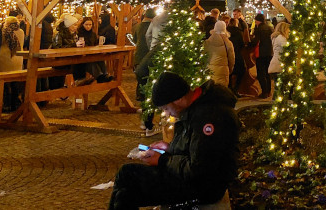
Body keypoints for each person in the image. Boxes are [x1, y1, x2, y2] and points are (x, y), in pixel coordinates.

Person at [108, 73, 240, 209]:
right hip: (196, 179)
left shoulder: (208, 118)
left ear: (178, 100)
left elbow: (199, 169)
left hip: (205, 187)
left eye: (166, 108)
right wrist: (169, 147)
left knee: (126, 175)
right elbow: (194, 148)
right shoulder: (197, 107)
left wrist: (162, 160)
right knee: (124, 195)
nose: (167, 113)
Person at [0, 16, 25, 111]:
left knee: (4, 82)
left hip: (6, 58)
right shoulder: (21, 32)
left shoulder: (4, 32)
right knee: (15, 82)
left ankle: (6, 104)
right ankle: (15, 103)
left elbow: (0, 43)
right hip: (17, 58)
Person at [202, 20, 235, 87]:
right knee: (221, 92)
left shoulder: (207, 42)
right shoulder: (228, 43)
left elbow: (203, 57)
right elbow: (231, 59)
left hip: (209, 70)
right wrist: (230, 69)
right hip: (223, 71)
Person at [253, 14, 274, 99]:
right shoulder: (269, 28)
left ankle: (264, 92)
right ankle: (269, 91)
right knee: (267, 72)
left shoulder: (258, 29)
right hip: (269, 52)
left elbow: (255, 41)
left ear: (258, 21)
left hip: (260, 53)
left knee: (261, 73)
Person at [268, 21, 289, 89]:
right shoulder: (281, 37)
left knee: (278, 87)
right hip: (279, 65)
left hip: (276, 64)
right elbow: (287, 47)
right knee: (280, 88)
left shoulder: (276, 37)